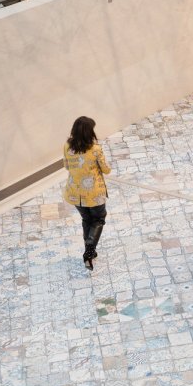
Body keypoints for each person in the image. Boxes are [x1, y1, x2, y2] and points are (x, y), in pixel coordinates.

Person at [62, 116, 112, 271]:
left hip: (75, 193)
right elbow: (106, 169)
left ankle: (90, 251)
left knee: (86, 219)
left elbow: (67, 167)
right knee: (98, 219)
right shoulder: (95, 149)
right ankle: (89, 251)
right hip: (94, 194)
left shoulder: (67, 146)